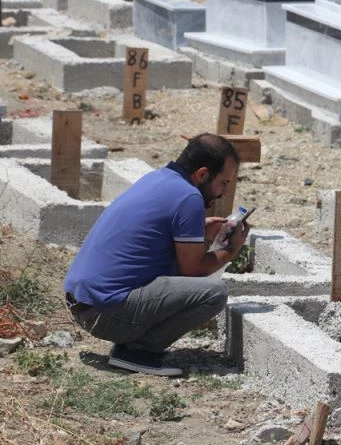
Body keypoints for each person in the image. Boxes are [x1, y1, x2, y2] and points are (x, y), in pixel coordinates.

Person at [63, 133, 250, 376]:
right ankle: (137, 351)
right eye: (223, 183)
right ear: (202, 174)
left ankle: (133, 344)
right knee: (214, 293)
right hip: (104, 313)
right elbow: (192, 270)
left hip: (82, 301)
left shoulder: (158, 178)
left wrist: (198, 229)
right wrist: (231, 248)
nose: (224, 192)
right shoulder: (189, 197)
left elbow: (153, 232)